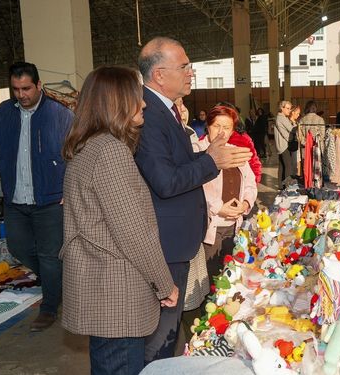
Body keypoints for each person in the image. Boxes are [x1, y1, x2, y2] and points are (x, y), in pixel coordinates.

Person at [135, 36, 252, 363]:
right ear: (159, 74)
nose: (191, 72)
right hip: (166, 243)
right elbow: (166, 181)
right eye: (184, 66)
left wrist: (211, 159)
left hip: (178, 241)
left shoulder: (167, 110)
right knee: (161, 334)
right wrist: (211, 161)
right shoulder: (150, 114)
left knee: (169, 330)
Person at [61, 66, 178, 375]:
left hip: (102, 288)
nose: (143, 104)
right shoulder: (110, 151)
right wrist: (165, 285)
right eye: (136, 97)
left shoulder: (91, 146)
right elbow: (134, 232)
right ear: (116, 102)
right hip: (116, 295)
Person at [0, 62, 73, 332]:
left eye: (26, 89)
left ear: (38, 85)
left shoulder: (60, 115)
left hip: (50, 201)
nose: (21, 95)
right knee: (19, 248)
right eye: (16, 89)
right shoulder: (3, 114)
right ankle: (57, 282)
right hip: (15, 199)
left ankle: (49, 307)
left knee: (48, 254)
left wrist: (69, 187)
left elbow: (76, 154)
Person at [197, 105, 257, 277]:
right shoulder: (197, 150)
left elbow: (250, 184)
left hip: (233, 226)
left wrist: (245, 204)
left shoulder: (234, 152)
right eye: (217, 126)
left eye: (227, 128)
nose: (222, 132)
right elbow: (194, 188)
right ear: (208, 126)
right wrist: (218, 207)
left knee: (230, 274)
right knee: (210, 277)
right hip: (209, 227)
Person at [275, 100, 294, 188]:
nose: (289, 111)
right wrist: (294, 122)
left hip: (280, 145)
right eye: (287, 108)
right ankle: (288, 186)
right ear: (281, 108)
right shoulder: (281, 118)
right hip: (284, 145)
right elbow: (291, 129)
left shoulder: (279, 117)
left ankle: (281, 185)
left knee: (282, 165)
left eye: (290, 109)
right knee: (288, 166)